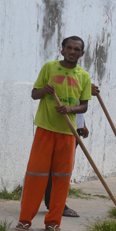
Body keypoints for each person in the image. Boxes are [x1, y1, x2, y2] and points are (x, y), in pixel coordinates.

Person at [16, 36, 92, 231]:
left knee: (62, 178)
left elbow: (84, 105)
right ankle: (25, 219)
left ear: (82, 54)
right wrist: (44, 90)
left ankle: (53, 222)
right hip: (45, 130)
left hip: (68, 133)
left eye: (77, 49)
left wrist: (70, 109)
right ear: (62, 50)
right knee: (35, 175)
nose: (72, 51)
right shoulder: (49, 68)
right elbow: (34, 94)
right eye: (69, 48)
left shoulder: (83, 76)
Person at [42, 83, 100, 218]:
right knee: (60, 168)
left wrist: (82, 125)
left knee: (64, 167)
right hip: (64, 129)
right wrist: (85, 89)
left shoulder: (80, 75)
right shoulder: (66, 76)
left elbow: (76, 103)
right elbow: (66, 97)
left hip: (74, 127)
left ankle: (54, 202)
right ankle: (55, 204)